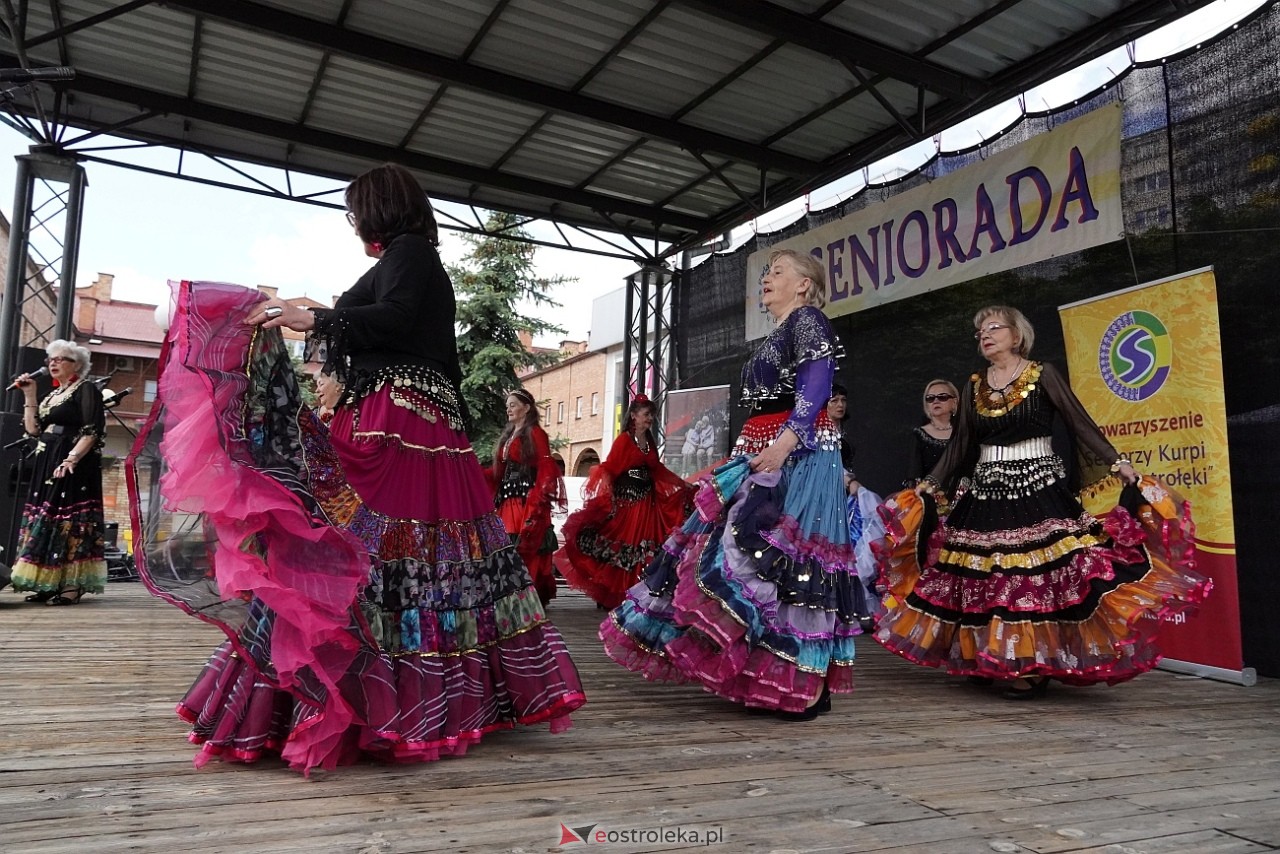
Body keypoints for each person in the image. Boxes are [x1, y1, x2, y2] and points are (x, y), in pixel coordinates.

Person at [130, 163, 585, 773]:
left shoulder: (411, 253)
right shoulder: (400, 259)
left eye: (355, 211)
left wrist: (316, 319)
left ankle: (367, 701)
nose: (352, 223)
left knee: (367, 548)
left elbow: (394, 316)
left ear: (379, 207)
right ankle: (385, 698)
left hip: (404, 421)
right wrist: (299, 313)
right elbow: (377, 319)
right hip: (393, 416)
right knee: (385, 551)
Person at [874, 306, 1211, 699]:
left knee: (1036, 575)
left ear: (1017, 335)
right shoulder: (973, 384)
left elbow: (1078, 422)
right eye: (980, 331)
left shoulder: (1042, 374)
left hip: (1038, 488)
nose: (985, 335)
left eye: (994, 327)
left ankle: (1031, 664)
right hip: (986, 492)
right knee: (983, 576)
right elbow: (962, 441)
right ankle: (985, 655)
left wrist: (1118, 463)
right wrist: (930, 483)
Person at [601, 248, 858, 721]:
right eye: (767, 272)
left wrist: (785, 443)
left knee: (785, 559)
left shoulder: (807, 320)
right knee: (746, 555)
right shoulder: (780, 331)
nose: (767, 278)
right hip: (765, 443)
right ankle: (771, 675)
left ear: (804, 284)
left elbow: (817, 385)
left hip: (796, 450)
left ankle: (803, 681)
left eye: (778, 271)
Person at [555, 395, 691, 609]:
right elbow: (609, 469)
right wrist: (608, 495)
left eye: (652, 415)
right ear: (634, 415)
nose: (650, 419)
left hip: (647, 503)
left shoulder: (649, 442)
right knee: (623, 544)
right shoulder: (624, 441)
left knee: (642, 547)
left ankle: (637, 592)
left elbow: (657, 470)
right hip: (627, 503)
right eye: (646, 414)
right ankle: (615, 594)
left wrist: (682, 484)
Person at [9, 340, 107, 605]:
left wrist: (71, 458)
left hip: (73, 460)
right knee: (47, 518)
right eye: (50, 359)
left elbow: (92, 431)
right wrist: (30, 394)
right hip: (47, 458)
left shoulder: (85, 389)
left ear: (77, 365)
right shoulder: (51, 395)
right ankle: (49, 581)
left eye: (60, 359)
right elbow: (33, 430)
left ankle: (72, 585)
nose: (53, 363)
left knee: (69, 520)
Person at [491, 388, 566, 606]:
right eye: (507, 406)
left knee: (526, 544)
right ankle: (509, 595)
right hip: (507, 502)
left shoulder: (535, 433)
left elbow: (546, 466)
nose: (508, 409)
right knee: (505, 545)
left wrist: (539, 497)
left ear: (526, 408)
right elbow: (497, 472)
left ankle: (525, 596)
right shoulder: (508, 436)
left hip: (526, 501)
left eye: (513, 405)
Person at [905, 379, 957, 487]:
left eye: (942, 397)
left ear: (954, 402)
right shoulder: (919, 435)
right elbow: (914, 475)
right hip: (928, 494)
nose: (935, 401)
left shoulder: (965, 432)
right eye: (930, 398)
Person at [827, 382, 855, 471]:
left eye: (843, 400)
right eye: (834, 401)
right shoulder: (818, 434)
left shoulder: (845, 431)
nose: (840, 405)